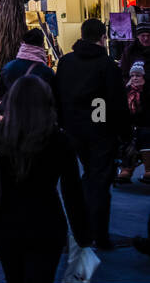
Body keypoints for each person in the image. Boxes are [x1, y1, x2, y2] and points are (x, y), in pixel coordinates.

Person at [0, 74, 93, 283]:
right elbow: (72, 192)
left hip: (5, 224)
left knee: (14, 279)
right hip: (47, 224)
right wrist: (82, 235)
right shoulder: (59, 140)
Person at [56, 18, 131, 248]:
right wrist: (125, 135)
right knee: (98, 182)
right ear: (102, 37)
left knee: (77, 182)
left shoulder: (66, 62)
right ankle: (99, 233)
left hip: (72, 130)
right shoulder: (107, 65)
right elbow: (116, 103)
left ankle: (81, 230)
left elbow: (58, 96)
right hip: (100, 131)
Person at [0, 28, 56, 114]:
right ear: (42, 45)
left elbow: (0, 95)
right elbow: (52, 100)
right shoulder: (47, 72)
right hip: (37, 120)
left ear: (24, 43)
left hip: (13, 119)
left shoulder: (7, 68)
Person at [117, 62, 148, 184]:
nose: (135, 78)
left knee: (145, 134)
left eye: (138, 76)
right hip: (131, 124)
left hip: (145, 123)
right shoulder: (127, 91)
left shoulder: (147, 91)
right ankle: (126, 169)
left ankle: (148, 169)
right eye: (133, 75)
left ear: (144, 77)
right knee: (126, 136)